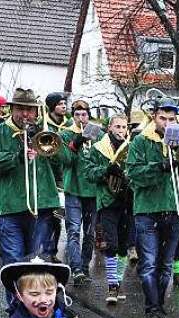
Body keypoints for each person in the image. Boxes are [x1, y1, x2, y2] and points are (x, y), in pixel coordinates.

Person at [0, 88, 61, 267]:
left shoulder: (45, 132)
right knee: (14, 263)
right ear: (11, 109)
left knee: (37, 263)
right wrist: (17, 157)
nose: (25, 114)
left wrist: (48, 147)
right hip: (9, 207)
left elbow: (63, 162)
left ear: (36, 112)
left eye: (30, 109)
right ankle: (15, 297)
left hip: (41, 206)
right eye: (20, 109)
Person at [125, 98, 179, 318]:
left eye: (172, 119)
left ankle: (159, 306)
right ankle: (150, 309)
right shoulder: (140, 141)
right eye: (163, 118)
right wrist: (159, 167)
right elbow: (134, 175)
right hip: (148, 210)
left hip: (173, 209)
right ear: (154, 117)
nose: (168, 123)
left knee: (166, 265)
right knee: (149, 263)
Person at [82, 113, 132, 304]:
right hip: (108, 201)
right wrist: (106, 171)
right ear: (109, 128)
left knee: (124, 245)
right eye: (117, 127)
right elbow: (88, 172)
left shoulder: (130, 147)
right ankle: (111, 286)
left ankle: (118, 282)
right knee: (111, 244)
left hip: (127, 201)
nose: (121, 130)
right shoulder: (98, 148)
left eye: (124, 127)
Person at [61, 99, 101, 285]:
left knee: (90, 232)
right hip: (74, 189)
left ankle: (84, 266)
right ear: (72, 116)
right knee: (74, 231)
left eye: (84, 114)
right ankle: (76, 269)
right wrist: (75, 144)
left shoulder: (98, 135)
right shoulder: (65, 134)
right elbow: (65, 161)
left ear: (89, 115)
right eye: (77, 115)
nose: (81, 118)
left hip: (93, 191)